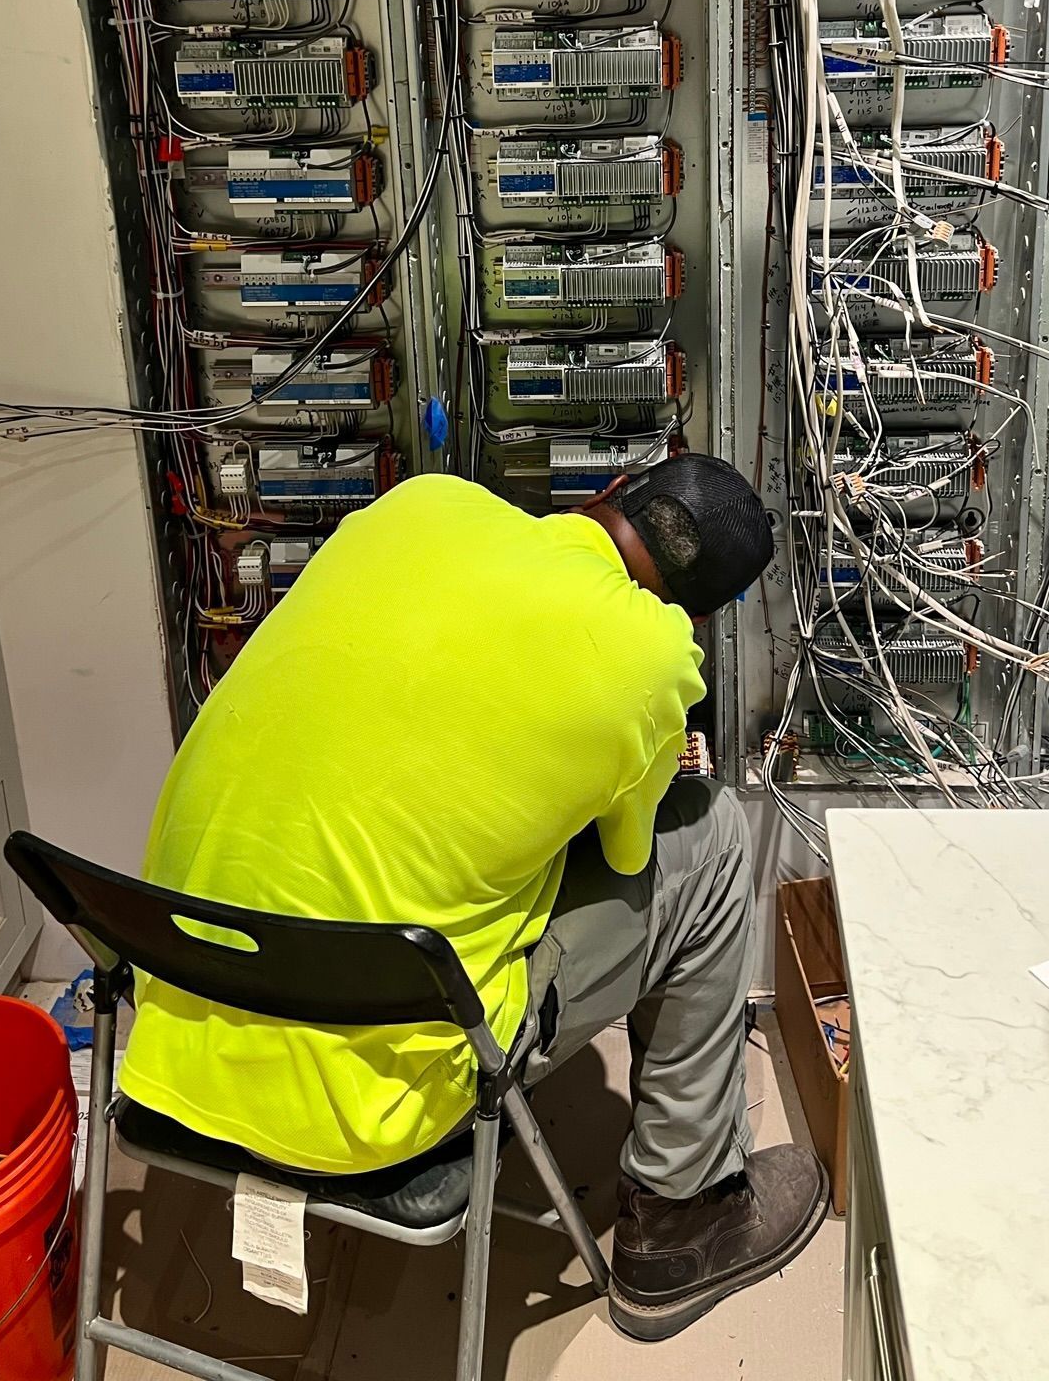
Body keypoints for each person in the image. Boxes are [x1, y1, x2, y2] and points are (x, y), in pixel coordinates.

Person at [120, 457, 827, 1342]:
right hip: (371, 1113)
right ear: (697, 615)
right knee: (712, 835)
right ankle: (687, 1221)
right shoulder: (653, 654)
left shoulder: (422, 504)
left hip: (174, 1024)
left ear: (602, 492)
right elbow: (626, 849)